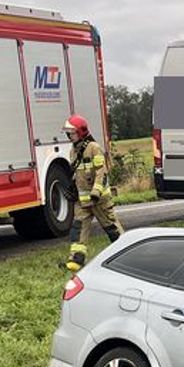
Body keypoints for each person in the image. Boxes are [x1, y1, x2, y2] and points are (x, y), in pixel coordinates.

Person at [63, 114, 123, 272]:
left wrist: (96, 191)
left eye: (72, 133)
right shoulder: (73, 151)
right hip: (82, 202)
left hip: (98, 200)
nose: (69, 136)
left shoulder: (93, 148)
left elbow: (101, 172)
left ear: (81, 132)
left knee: (112, 228)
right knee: (78, 229)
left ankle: (126, 255)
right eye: (68, 133)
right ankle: (76, 260)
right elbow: (77, 174)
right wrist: (74, 191)